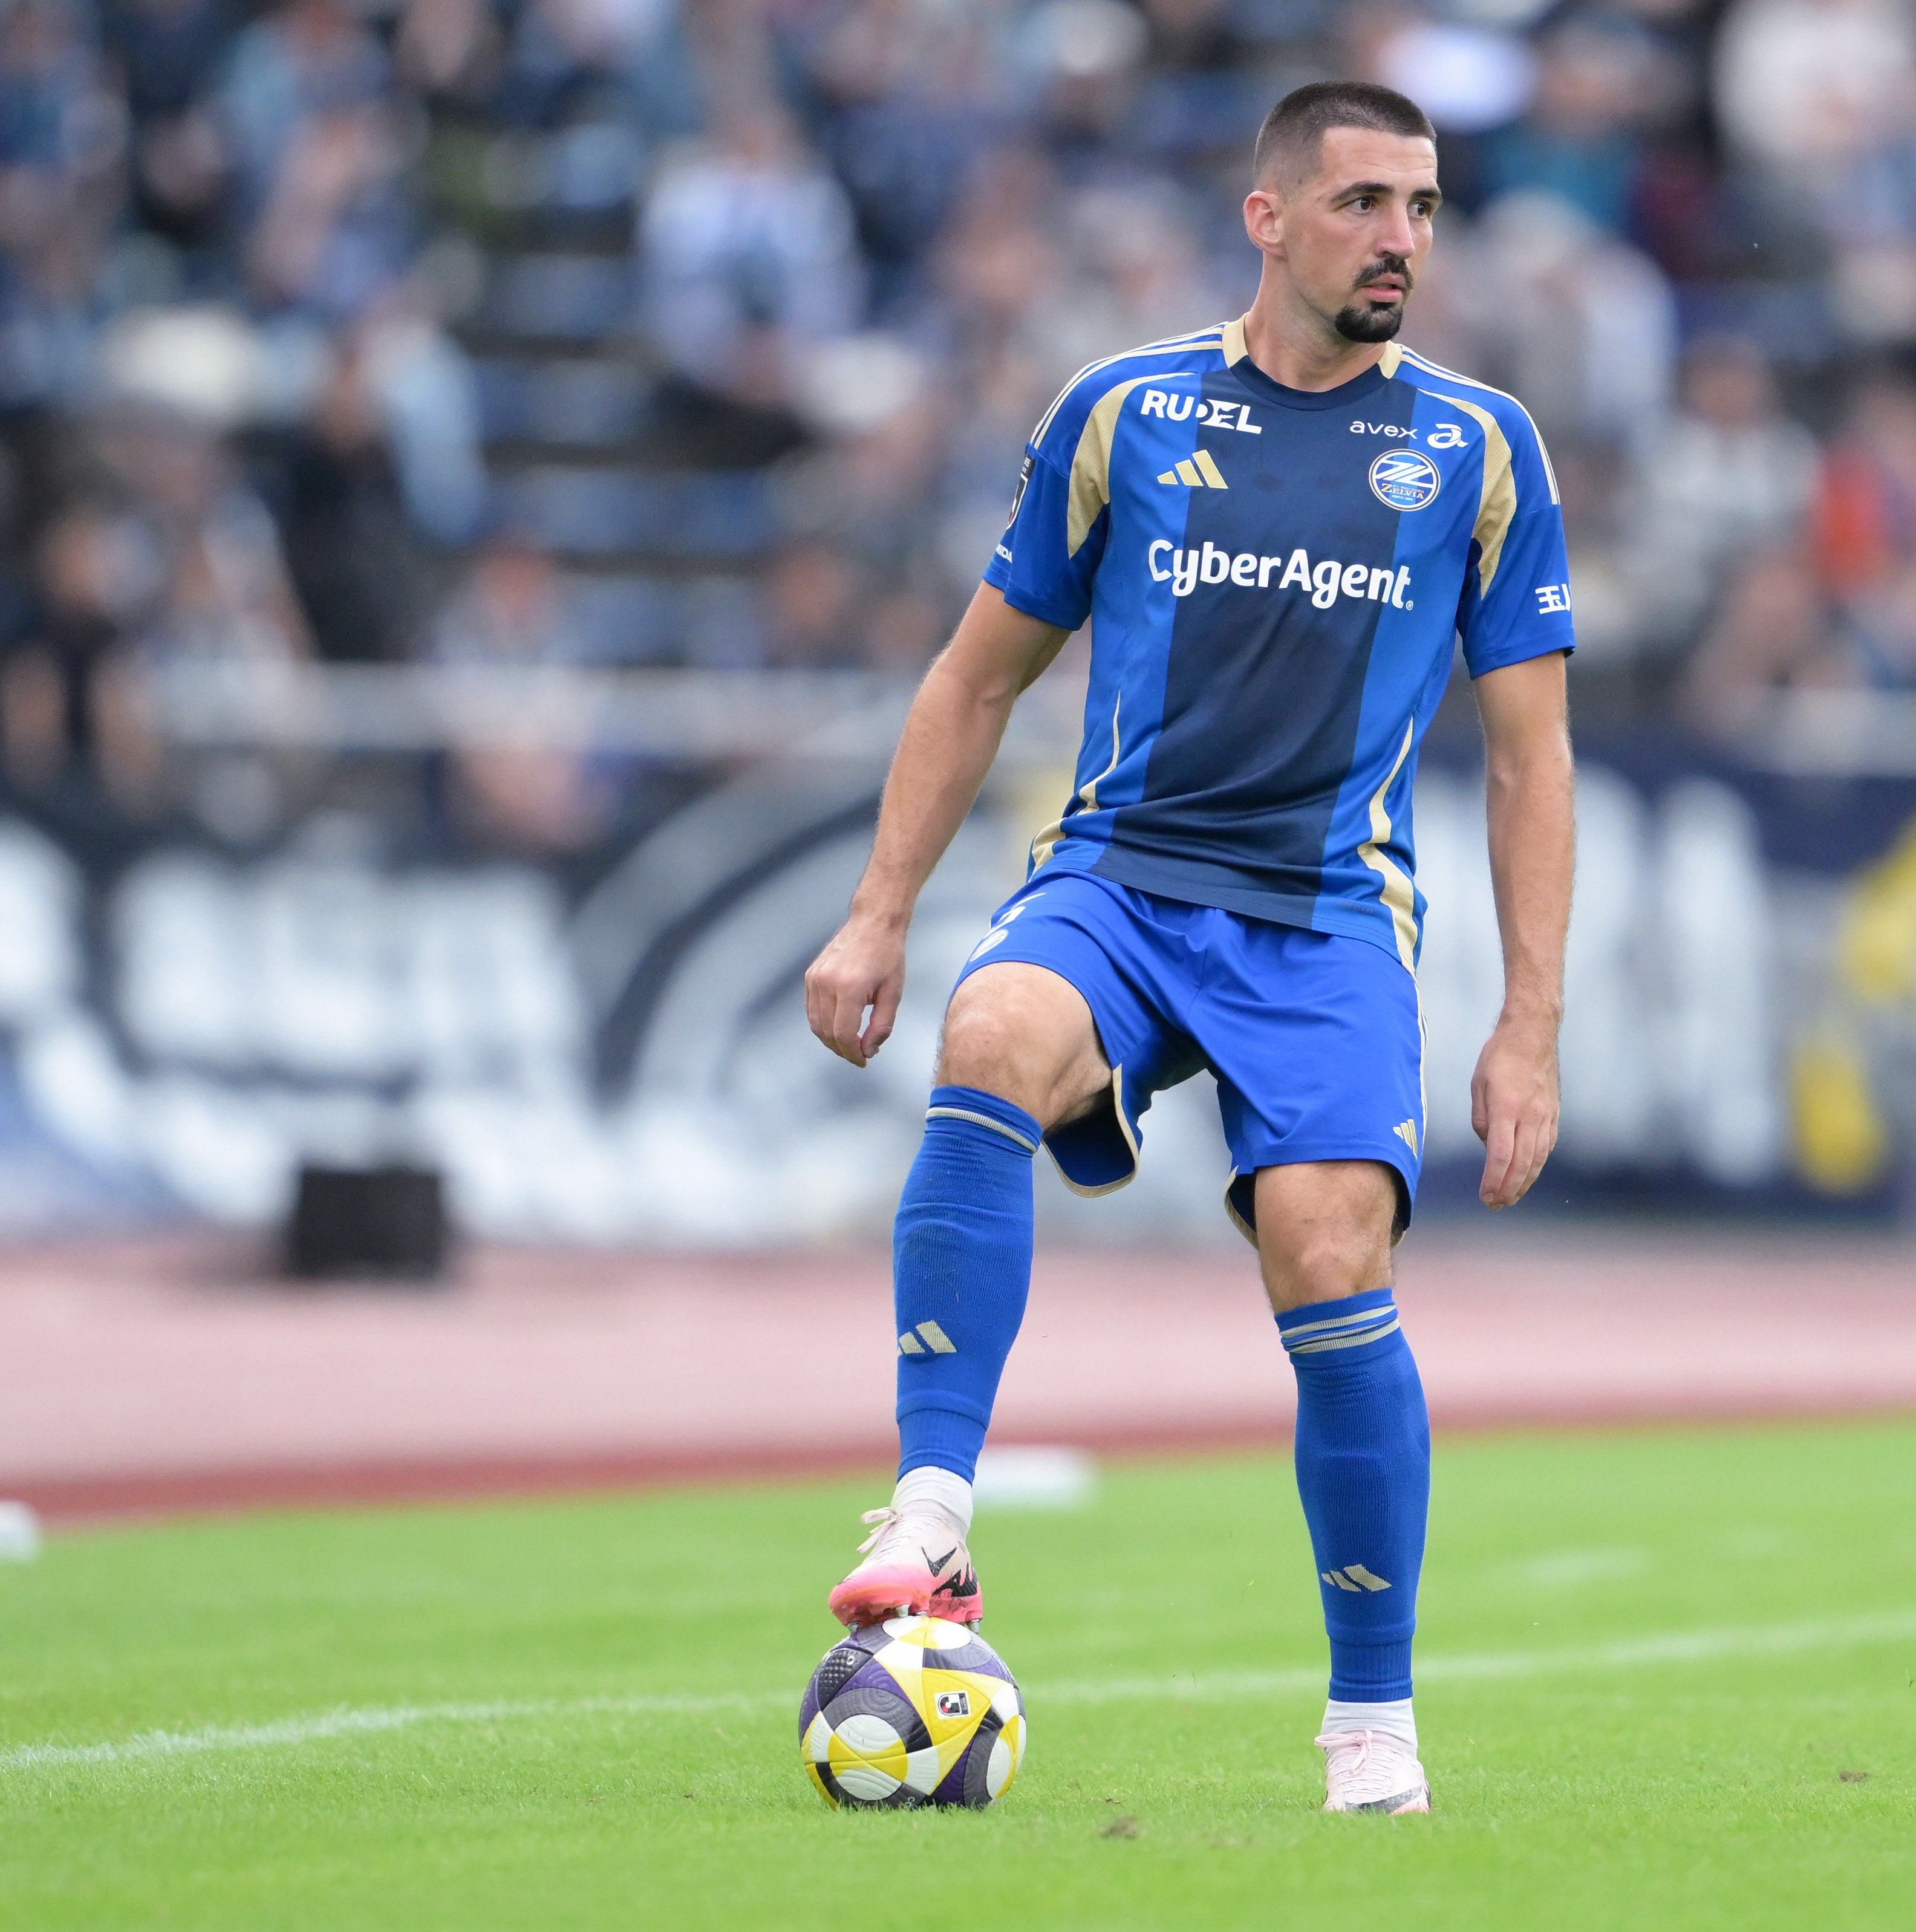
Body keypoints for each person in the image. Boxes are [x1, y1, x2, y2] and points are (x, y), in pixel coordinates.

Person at [798, 80, 1576, 1818]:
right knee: (991, 1028)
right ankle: (931, 1507)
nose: (1401, 240)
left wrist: (1528, 1023)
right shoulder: (1124, 411)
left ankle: (1370, 1717)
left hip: (1328, 917)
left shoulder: (1480, 447)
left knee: (1325, 1249)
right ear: (1269, 218)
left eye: (1423, 208)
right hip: (1123, 880)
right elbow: (974, 678)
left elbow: (1532, 757)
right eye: (1365, 203)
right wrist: (878, 906)